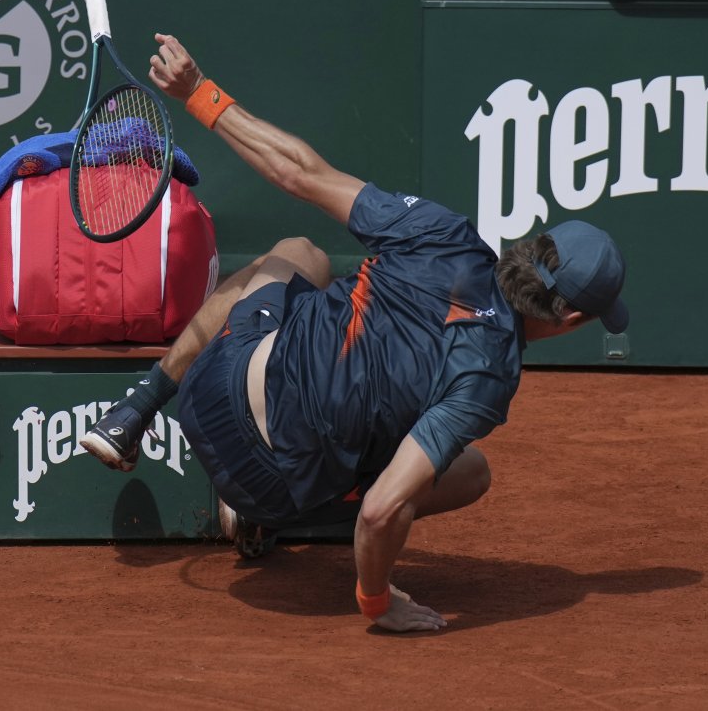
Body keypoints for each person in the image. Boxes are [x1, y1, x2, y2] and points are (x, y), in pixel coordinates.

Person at [79, 33, 629, 633]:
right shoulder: (488, 376)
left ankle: (138, 407)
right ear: (570, 319)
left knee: (297, 254)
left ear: (529, 247)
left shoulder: (443, 234)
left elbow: (300, 171)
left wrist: (197, 92)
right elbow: (382, 510)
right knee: (470, 472)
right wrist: (377, 601)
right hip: (269, 486)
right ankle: (281, 514)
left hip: (208, 395)